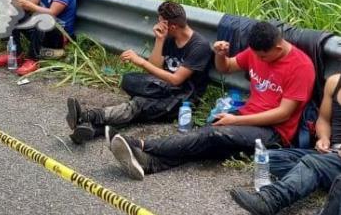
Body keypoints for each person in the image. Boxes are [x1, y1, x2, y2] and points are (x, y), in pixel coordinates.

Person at [108, 21, 316, 180]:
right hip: (246, 115)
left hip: (274, 131)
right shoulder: (256, 51)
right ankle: (149, 163)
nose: (258, 60)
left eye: (263, 57)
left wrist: (235, 121)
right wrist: (220, 54)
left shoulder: (301, 67)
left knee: (212, 134)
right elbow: (226, 67)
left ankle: (141, 145)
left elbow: (284, 114)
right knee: (205, 138)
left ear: (278, 48)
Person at [66, 1, 212, 144]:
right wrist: (159, 40)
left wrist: (141, 61)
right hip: (163, 88)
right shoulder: (169, 38)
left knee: (138, 105)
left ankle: (87, 116)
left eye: (161, 22)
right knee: (129, 80)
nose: (158, 24)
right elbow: (154, 68)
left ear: (173, 26)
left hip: (182, 99)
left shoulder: (199, 46)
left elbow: (176, 80)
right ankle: (92, 130)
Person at [230, 73, 341, 215]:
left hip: (331, 160)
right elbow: (323, 120)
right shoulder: (334, 82)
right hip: (331, 155)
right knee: (271, 158)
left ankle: (270, 201)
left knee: (313, 163)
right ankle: (316, 177)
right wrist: (323, 138)